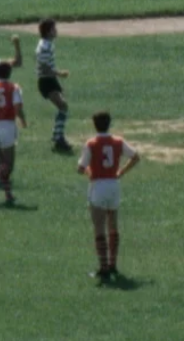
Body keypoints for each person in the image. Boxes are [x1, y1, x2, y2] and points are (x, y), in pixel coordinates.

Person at [77, 111, 141, 283]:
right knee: (113, 225)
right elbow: (135, 157)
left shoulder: (91, 143)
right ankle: (113, 264)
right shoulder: (118, 141)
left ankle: (103, 268)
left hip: (98, 186)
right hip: (114, 185)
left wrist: (90, 171)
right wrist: (121, 171)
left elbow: (81, 168)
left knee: (99, 227)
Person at [35, 18, 73, 152]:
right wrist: (59, 73)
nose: (56, 31)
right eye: (54, 29)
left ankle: (57, 136)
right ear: (48, 31)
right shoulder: (45, 47)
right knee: (63, 106)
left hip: (49, 80)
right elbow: (44, 68)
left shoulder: (47, 44)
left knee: (63, 106)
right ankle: (58, 138)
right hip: (47, 81)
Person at [0, 62, 27, 207]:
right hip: (7, 126)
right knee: (8, 165)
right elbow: (17, 107)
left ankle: (8, 195)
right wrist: (23, 120)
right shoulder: (14, 88)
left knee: (2, 163)